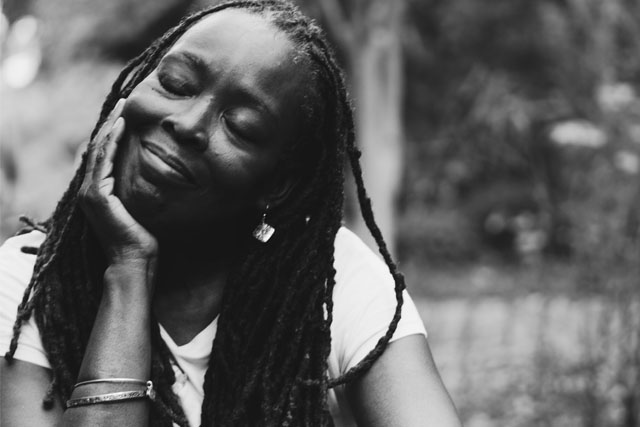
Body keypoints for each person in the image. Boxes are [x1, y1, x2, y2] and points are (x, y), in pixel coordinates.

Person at [0, 1, 461, 426]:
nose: (187, 124)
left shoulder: (334, 278)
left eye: (240, 127)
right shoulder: (29, 277)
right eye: (176, 84)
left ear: (276, 185)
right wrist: (128, 269)